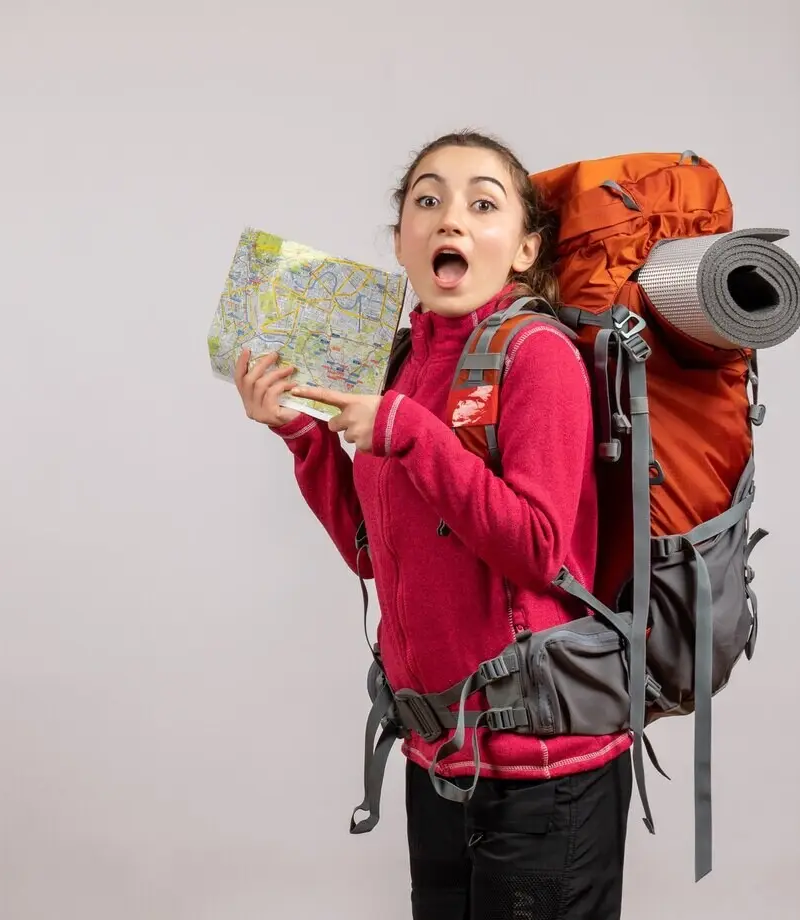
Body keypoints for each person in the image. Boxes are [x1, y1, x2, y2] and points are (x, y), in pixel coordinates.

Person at [232, 130, 633, 919]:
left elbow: (538, 550)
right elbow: (374, 550)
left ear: (524, 249)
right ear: (400, 242)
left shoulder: (537, 354)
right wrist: (302, 433)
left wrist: (410, 432)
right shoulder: (400, 361)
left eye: (483, 203)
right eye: (428, 199)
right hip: (442, 756)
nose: (450, 216)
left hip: (544, 771)